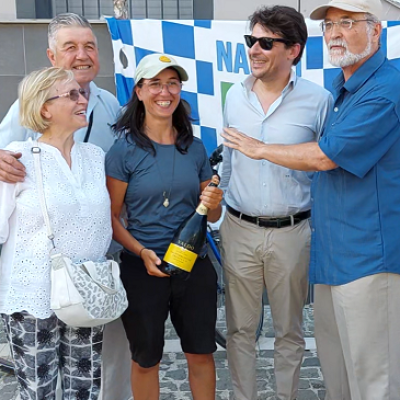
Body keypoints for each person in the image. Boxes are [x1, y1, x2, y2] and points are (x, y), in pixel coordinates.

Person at [222, 0, 400, 399]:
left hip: (365, 256)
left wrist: (260, 148)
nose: (335, 32)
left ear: (376, 31)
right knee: (338, 373)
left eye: (348, 23)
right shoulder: (343, 89)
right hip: (328, 254)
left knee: (374, 379)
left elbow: (325, 156)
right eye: (330, 25)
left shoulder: (385, 89)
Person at [0, 13, 131, 400]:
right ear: (51, 55)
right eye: (71, 47)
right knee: (38, 387)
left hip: (94, 278)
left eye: (89, 46)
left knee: (91, 380)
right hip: (35, 285)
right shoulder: (24, 117)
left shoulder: (111, 110)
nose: (83, 54)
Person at [218, 6, 332, 400]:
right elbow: (228, 162)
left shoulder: (319, 100)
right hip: (238, 229)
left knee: (290, 331)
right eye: (251, 41)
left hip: (291, 232)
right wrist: (219, 223)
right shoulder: (234, 95)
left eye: (266, 42)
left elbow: (326, 166)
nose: (255, 49)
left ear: (294, 50)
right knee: (239, 331)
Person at [105, 53, 223, 400]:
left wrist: (214, 205)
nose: (165, 91)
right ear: (139, 91)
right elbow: (111, 218)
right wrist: (142, 253)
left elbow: (210, 217)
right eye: (155, 83)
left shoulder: (195, 148)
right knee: (146, 360)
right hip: (142, 269)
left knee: (201, 353)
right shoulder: (123, 151)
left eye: (172, 83)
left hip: (194, 266)